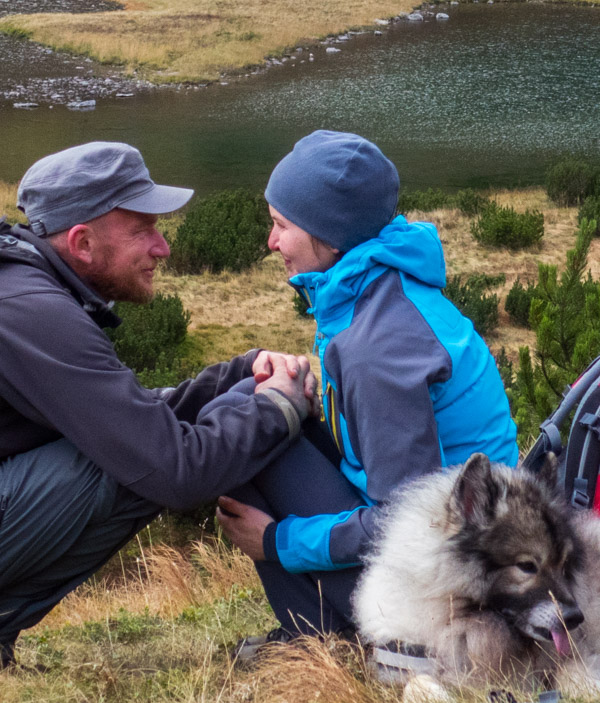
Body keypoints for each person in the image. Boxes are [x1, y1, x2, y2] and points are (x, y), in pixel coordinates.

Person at [0, 141, 313, 664]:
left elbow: (120, 417)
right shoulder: (30, 310)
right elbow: (173, 470)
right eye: (144, 230)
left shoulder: (8, 287)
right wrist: (278, 409)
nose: (163, 248)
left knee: (127, 447)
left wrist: (237, 374)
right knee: (132, 466)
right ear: (83, 243)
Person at [214, 130, 519, 645]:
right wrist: (316, 412)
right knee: (259, 402)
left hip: (454, 590)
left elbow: (406, 521)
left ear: (330, 237)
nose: (271, 243)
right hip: (469, 551)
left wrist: (275, 541)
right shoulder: (380, 285)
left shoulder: (377, 347)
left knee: (244, 421)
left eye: (280, 226)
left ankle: (323, 640)